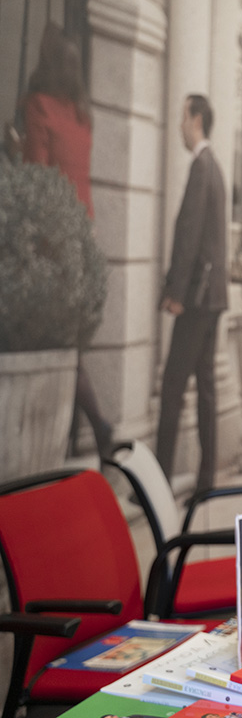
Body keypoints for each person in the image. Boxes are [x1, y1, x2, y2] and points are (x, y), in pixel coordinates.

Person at [21, 22, 113, 456]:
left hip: (54, 242)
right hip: (85, 239)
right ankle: (75, 439)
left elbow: (37, 176)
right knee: (71, 342)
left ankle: (97, 426)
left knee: (58, 346)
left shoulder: (39, 106)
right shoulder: (82, 116)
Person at [156, 94, 229, 495]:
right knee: (205, 386)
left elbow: (190, 234)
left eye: (184, 117)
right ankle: (205, 480)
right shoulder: (214, 167)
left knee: (172, 385)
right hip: (212, 298)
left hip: (197, 299)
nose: (181, 126)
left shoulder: (202, 167)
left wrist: (175, 292)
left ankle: (158, 481)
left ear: (196, 119)